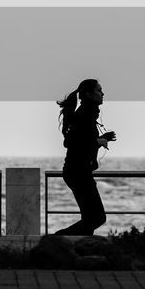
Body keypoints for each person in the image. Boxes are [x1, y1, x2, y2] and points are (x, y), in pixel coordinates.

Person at [56, 78, 116, 235]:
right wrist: (97, 141)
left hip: (78, 172)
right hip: (77, 173)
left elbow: (81, 139)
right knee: (96, 218)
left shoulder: (87, 113)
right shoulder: (85, 113)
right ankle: (58, 239)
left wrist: (103, 138)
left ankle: (74, 246)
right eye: (99, 90)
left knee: (90, 218)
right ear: (89, 94)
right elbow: (71, 141)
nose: (103, 93)